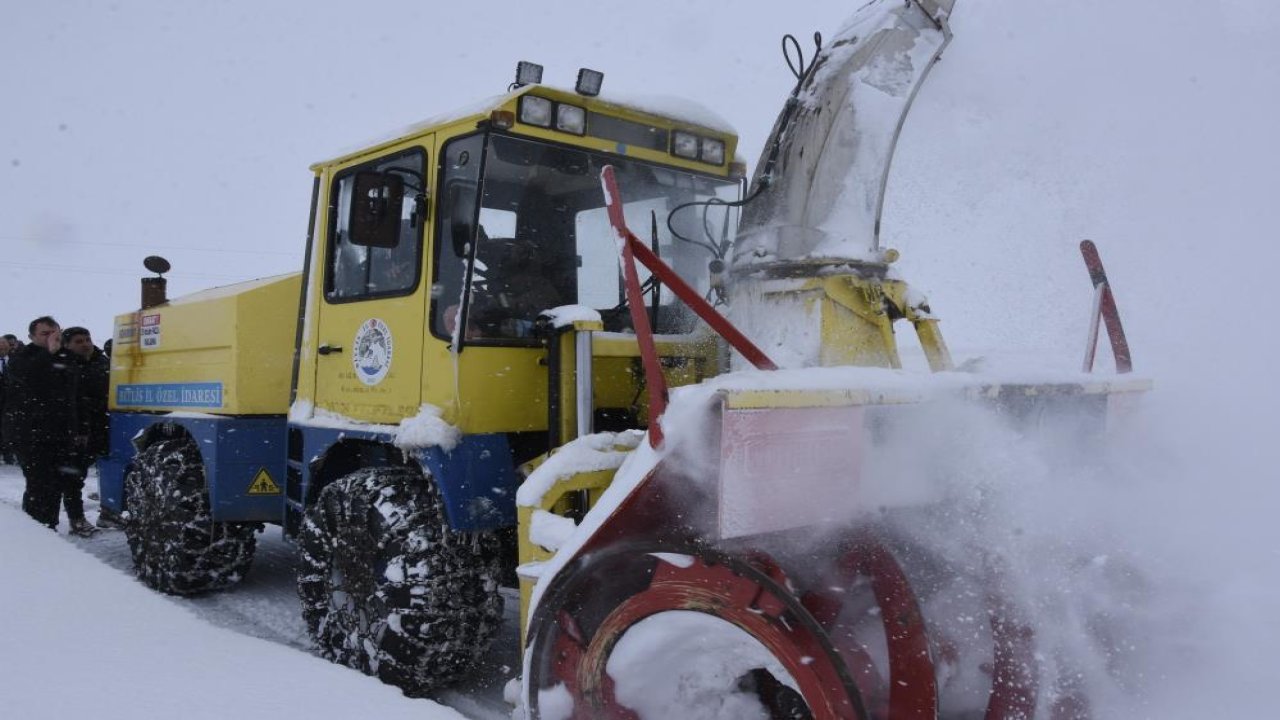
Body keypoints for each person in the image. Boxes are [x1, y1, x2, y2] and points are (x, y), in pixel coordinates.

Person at [1, 316, 95, 536]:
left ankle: (46, 527)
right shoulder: (21, 358)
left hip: (61, 434)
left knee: (59, 484)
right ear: (32, 336)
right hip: (31, 435)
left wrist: (81, 428)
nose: (52, 338)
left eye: (55, 333)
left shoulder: (67, 358)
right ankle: (40, 529)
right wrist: (48, 353)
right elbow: (28, 377)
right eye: (45, 334)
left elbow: (76, 395)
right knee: (40, 485)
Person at [62, 327, 115, 530]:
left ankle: (109, 513)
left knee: (109, 470)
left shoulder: (103, 362)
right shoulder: (64, 366)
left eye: (87, 339)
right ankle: (77, 518)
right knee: (74, 477)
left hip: (104, 426)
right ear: (67, 345)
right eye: (78, 341)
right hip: (78, 431)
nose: (85, 344)